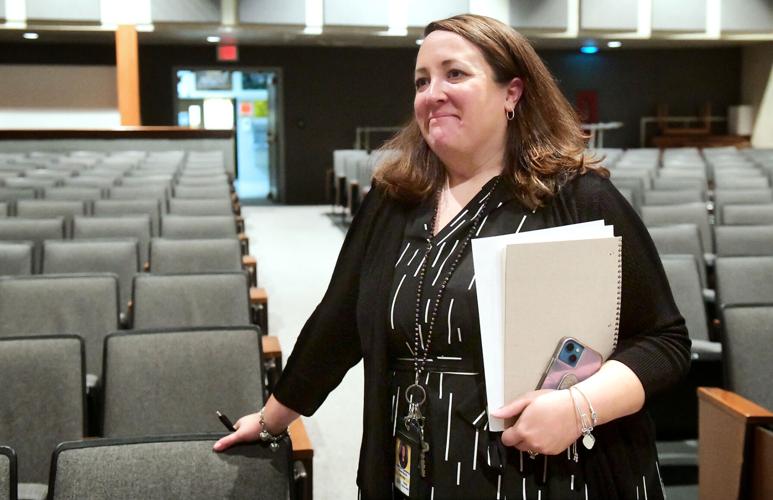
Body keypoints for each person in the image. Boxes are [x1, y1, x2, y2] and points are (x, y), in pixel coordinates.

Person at [214, 13, 691, 499]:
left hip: (548, 474)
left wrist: (579, 407)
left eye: (455, 74)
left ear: (513, 92)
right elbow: (338, 325)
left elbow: (663, 340)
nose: (432, 92)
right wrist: (272, 420)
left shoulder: (576, 196)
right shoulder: (392, 200)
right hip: (413, 463)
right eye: (422, 81)